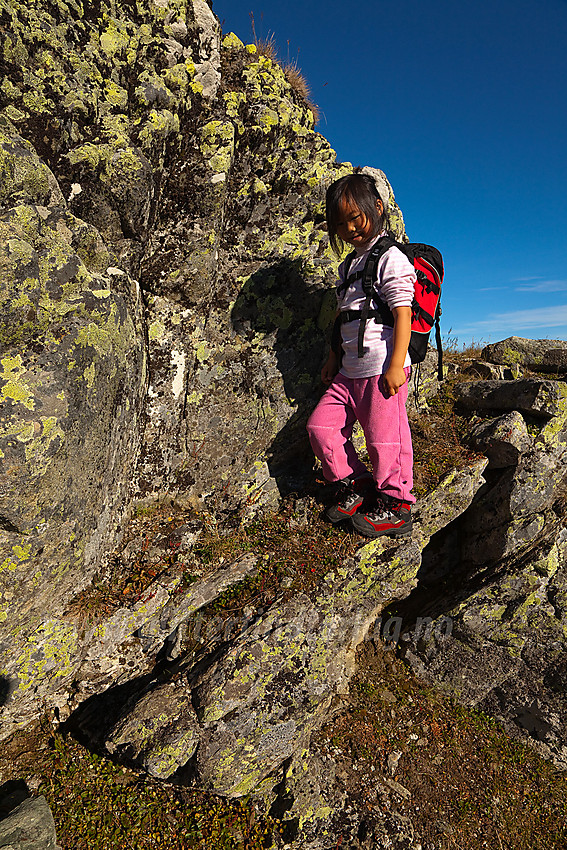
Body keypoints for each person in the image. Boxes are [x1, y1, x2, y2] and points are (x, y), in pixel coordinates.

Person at [306, 172, 416, 538]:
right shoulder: (348, 266)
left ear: (378, 208)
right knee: (320, 427)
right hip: (347, 371)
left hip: (381, 368)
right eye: (340, 223)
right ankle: (357, 484)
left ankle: (396, 504)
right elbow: (343, 317)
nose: (349, 228)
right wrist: (333, 357)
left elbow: (404, 312)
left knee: (385, 440)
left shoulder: (391, 258)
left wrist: (397, 364)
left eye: (356, 217)